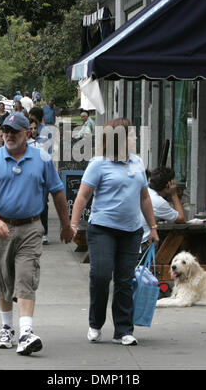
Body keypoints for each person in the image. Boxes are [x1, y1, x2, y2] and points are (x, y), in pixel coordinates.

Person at [0, 112, 74, 355]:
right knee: (2, 276)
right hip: (2, 227)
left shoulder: (41, 159)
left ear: (27, 134)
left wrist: (65, 225)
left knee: (25, 275)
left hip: (31, 227)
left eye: (15, 131)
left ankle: (26, 332)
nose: (9, 135)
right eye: (6, 131)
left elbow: (58, 192)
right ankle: (7, 327)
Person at [70, 118, 159, 346]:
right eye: (132, 135)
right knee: (100, 276)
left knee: (125, 281)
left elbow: (144, 197)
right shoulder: (99, 163)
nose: (136, 138)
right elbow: (82, 196)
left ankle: (123, 330)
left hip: (132, 231)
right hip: (102, 229)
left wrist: (153, 227)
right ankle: (95, 323)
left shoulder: (137, 162)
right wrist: (72, 224)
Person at [141, 167, 186, 251]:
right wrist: (174, 194)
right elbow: (181, 219)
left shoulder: (144, 191)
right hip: (143, 244)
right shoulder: (159, 202)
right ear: (168, 185)